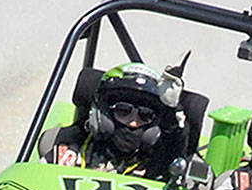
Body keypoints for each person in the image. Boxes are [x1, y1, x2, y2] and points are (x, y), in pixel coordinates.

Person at [39, 62, 188, 177]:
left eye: (145, 115)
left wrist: (171, 114)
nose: (133, 122)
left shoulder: (157, 167)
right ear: (103, 114)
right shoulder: (66, 156)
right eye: (123, 110)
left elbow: (174, 147)